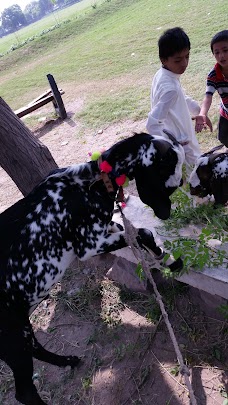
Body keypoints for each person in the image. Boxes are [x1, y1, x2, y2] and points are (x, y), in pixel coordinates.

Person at [146, 27, 210, 173]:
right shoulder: (170, 88)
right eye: (178, 60)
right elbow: (152, 123)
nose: (184, 63)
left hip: (181, 135)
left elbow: (181, 96)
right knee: (199, 172)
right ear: (164, 59)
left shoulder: (164, 73)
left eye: (187, 56)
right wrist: (171, 145)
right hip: (181, 142)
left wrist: (199, 111)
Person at [195, 30, 228, 147]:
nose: (221, 55)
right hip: (226, 114)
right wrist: (203, 113)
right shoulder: (213, 75)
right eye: (217, 52)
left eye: (225, 50)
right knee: (223, 137)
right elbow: (208, 96)